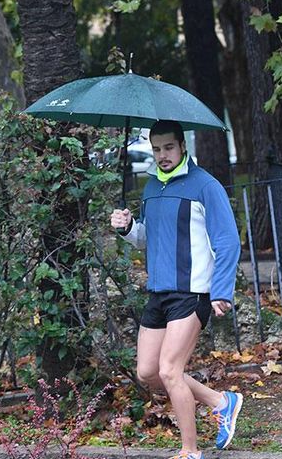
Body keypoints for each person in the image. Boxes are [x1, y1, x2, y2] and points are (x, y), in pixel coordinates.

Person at [110, 120, 242, 459]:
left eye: (168, 147)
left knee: (170, 370)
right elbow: (147, 238)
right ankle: (221, 402)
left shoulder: (205, 186)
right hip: (159, 292)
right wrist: (127, 228)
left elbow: (228, 241)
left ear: (183, 146)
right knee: (148, 372)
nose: (162, 155)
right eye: (156, 149)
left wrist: (221, 290)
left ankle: (190, 451)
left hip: (192, 292)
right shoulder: (152, 187)